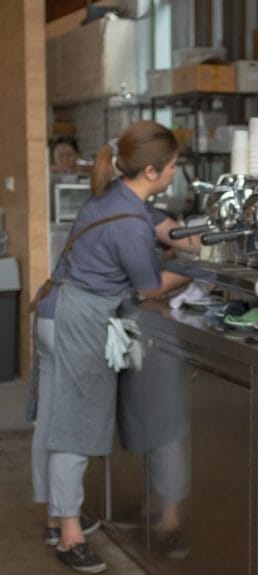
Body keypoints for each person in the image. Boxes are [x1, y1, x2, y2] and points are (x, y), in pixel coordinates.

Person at [29, 120, 190, 573]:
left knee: (54, 422)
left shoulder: (111, 198)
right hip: (79, 320)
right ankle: (70, 536)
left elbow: (150, 221)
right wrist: (197, 271)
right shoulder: (130, 224)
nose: (176, 172)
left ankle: (55, 516)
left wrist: (169, 231)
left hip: (53, 311)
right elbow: (150, 286)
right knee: (75, 428)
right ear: (154, 171)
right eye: (174, 166)